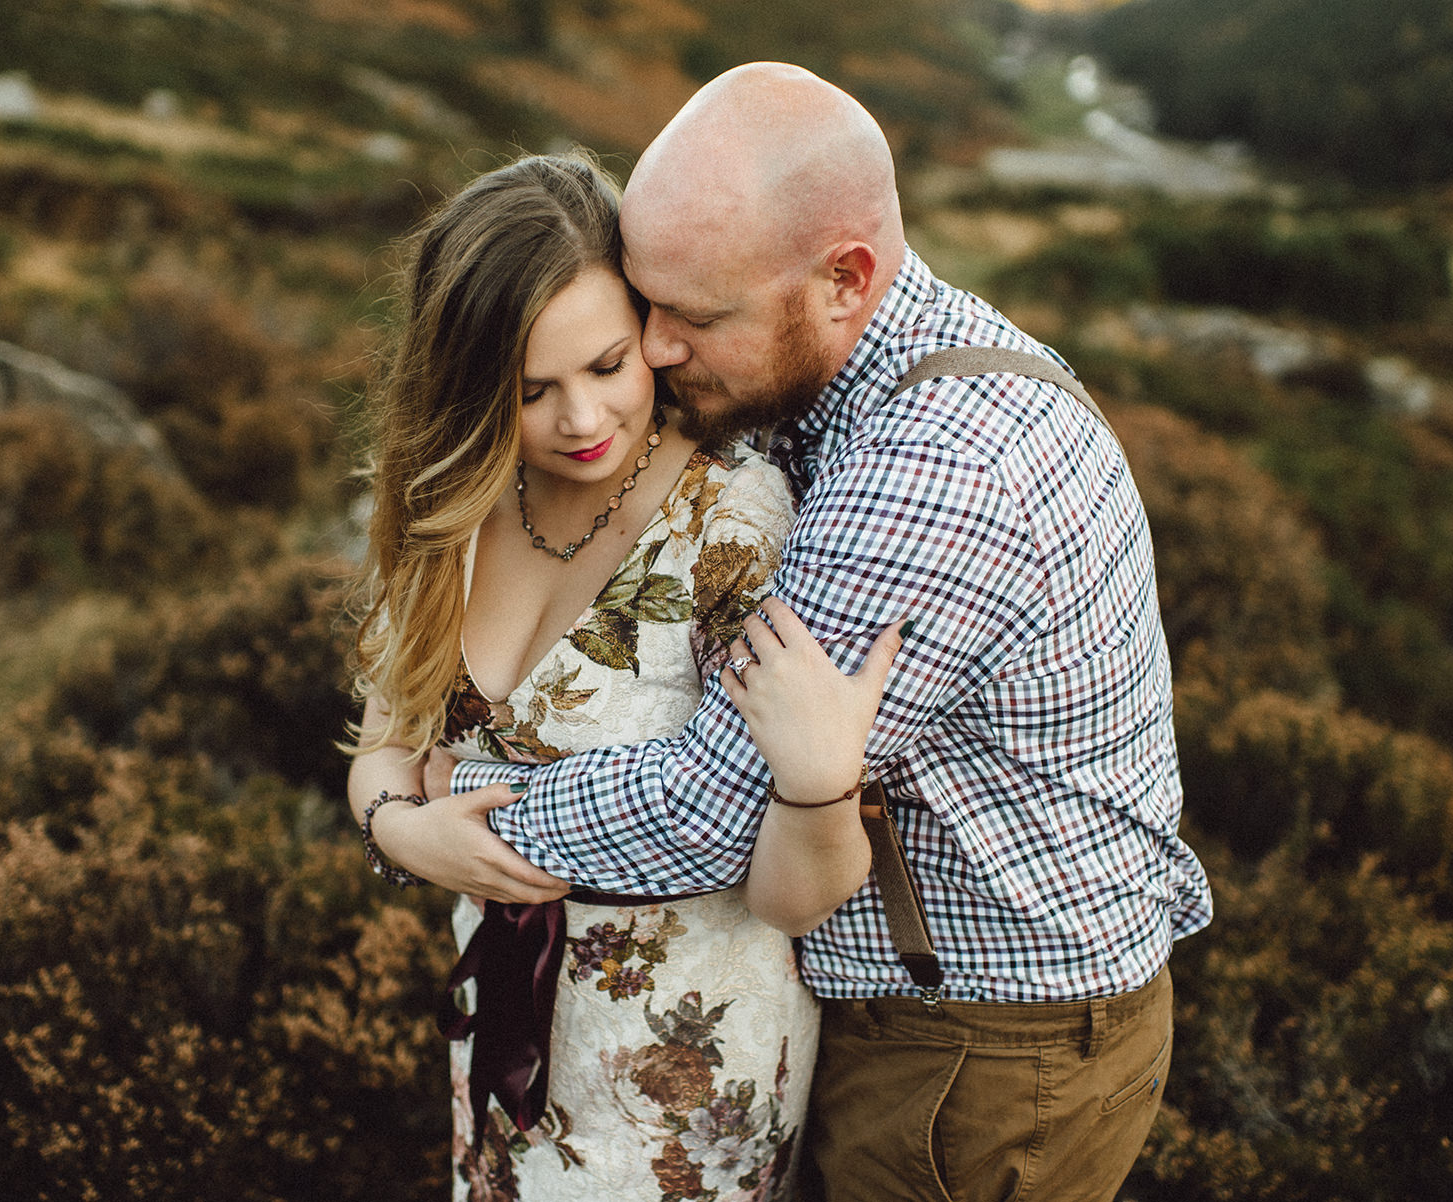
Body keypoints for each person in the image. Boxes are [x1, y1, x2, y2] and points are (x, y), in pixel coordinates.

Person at [380, 64, 1214, 1202]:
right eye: (648, 307)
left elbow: (709, 809)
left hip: (978, 1040)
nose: (659, 352)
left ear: (844, 278)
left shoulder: (933, 475)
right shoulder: (842, 375)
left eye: (692, 319)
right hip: (896, 1005)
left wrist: (441, 813)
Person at [346, 150, 900, 1202]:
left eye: (607, 366)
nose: (582, 421)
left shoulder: (737, 521)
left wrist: (820, 783)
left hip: (686, 1074)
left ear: (652, 328)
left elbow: (803, 891)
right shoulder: (449, 504)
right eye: (531, 391)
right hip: (501, 1031)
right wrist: (401, 832)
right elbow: (383, 747)